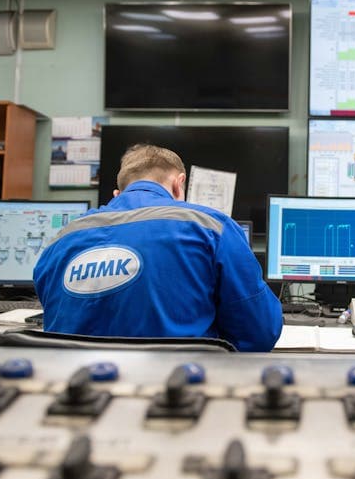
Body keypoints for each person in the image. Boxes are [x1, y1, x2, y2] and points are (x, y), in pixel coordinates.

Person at [33, 144, 283, 352]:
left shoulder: (60, 241)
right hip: (177, 394)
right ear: (179, 184)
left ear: (117, 193)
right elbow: (260, 332)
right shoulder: (213, 227)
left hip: (81, 397)